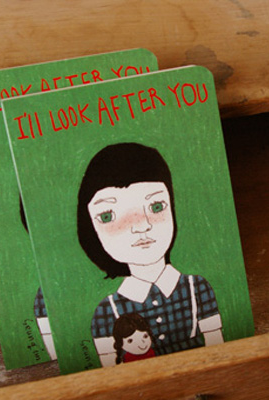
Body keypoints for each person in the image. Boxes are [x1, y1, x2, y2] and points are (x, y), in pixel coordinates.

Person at [77, 143, 224, 367]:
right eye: (108, 216)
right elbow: (111, 373)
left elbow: (220, 351)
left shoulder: (197, 289)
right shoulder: (106, 312)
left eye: (156, 207)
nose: (141, 226)